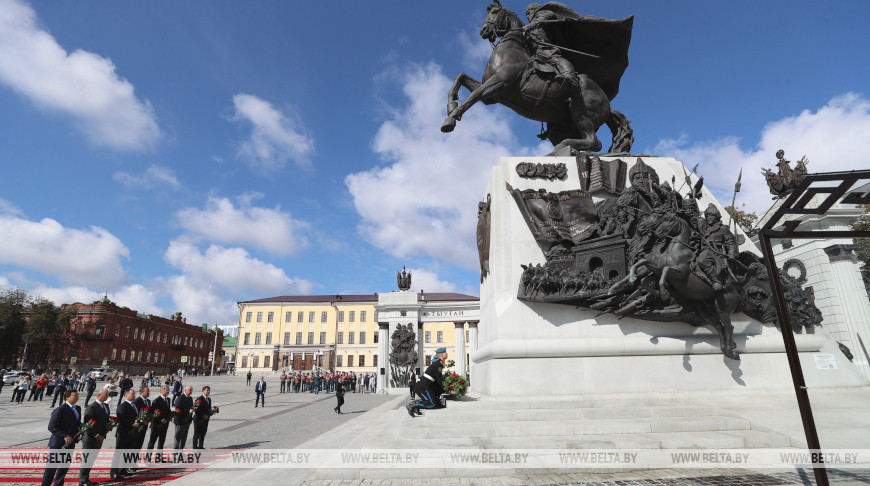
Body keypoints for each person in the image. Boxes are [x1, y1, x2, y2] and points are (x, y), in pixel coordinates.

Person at [41, 389, 81, 486]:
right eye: (74, 396)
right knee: (51, 468)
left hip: (70, 443)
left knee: (64, 468)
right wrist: (65, 435)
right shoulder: (60, 409)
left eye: (77, 395)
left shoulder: (77, 408)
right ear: (67, 397)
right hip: (58, 443)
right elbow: (51, 426)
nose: (77, 397)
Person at [697, 204, 739, 291]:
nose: (709, 217)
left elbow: (730, 242)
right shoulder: (703, 227)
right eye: (707, 216)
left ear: (717, 217)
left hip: (715, 252)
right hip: (702, 249)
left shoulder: (722, 228)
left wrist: (731, 253)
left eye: (711, 215)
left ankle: (716, 280)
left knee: (702, 260)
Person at [79, 389, 110, 486]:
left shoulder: (105, 406)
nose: (107, 396)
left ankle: (86, 479)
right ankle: (82, 481)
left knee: (92, 459)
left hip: (100, 437)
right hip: (90, 438)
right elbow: (88, 423)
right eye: (106, 394)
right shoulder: (91, 407)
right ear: (99, 394)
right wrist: (96, 435)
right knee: (87, 459)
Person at [408, 347, 448, 417]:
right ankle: (414, 405)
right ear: (441, 355)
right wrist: (446, 388)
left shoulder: (439, 364)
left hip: (426, 384)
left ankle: (413, 405)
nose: (447, 354)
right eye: (445, 352)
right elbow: (439, 379)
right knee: (432, 404)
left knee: (437, 403)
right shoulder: (438, 364)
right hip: (425, 385)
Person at [110, 388, 140, 479]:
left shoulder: (134, 405)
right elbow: (120, 418)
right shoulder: (122, 405)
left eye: (134, 394)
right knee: (119, 453)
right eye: (132, 394)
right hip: (123, 433)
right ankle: (114, 472)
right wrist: (132, 424)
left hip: (131, 433)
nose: (134, 396)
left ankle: (122, 469)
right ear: (126, 395)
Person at [147, 385, 172, 456]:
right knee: (152, 441)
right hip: (156, 424)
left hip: (165, 424)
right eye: (166, 390)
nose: (168, 391)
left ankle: (159, 457)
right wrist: (161, 419)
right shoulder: (156, 401)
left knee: (162, 441)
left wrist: (168, 417)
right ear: (162, 391)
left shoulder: (168, 399)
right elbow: (153, 412)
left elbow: (168, 411)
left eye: (168, 390)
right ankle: (148, 458)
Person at [173, 385, 195, 450]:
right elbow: (177, 408)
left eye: (191, 390)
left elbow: (190, 407)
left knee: (184, 437)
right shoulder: (180, 398)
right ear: (185, 390)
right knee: (178, 436)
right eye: (190, 390)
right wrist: (188, 411)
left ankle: (181, 450)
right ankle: (175, 451)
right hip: (180, 420)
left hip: (187, 421)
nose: (191, 392)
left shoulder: (190, 398)